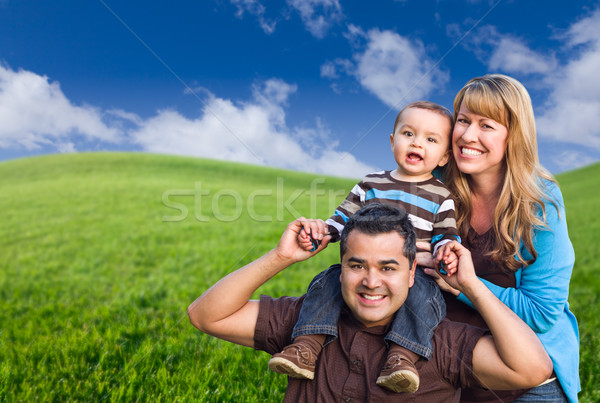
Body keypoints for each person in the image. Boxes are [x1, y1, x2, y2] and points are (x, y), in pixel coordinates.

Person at [187, 204, 553, 402]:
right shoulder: (307, 324)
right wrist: (281, 257)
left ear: (412, 274)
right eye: (357, 265)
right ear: (340, 269)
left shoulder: (438, 342)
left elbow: (531, 370)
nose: (371, 281)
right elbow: (206, 315)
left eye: (388, 267)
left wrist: (470, 286)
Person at [268, 101, 461, 393]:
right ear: (392, 140)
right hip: (362, 267)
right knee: (327, 281)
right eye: (408, 134)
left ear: (445, 156)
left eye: (430, 139)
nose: (417, 143)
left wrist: (446, 250)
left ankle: (402, 357)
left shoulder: (441, 195)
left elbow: (446, 235)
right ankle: (306, 347)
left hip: (413, 273)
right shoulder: (370, 184)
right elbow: (342, 220)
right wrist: (321, 232)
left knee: (424, 295)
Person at [424, 74, 579, 402]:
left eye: (486, 126)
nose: (468, 135)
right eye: (463, 121)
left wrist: (462, 284)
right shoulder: (432, 182)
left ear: (514, 136)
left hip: (529, 375)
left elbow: (540, 312)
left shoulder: (540, 201)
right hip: (449, 366)